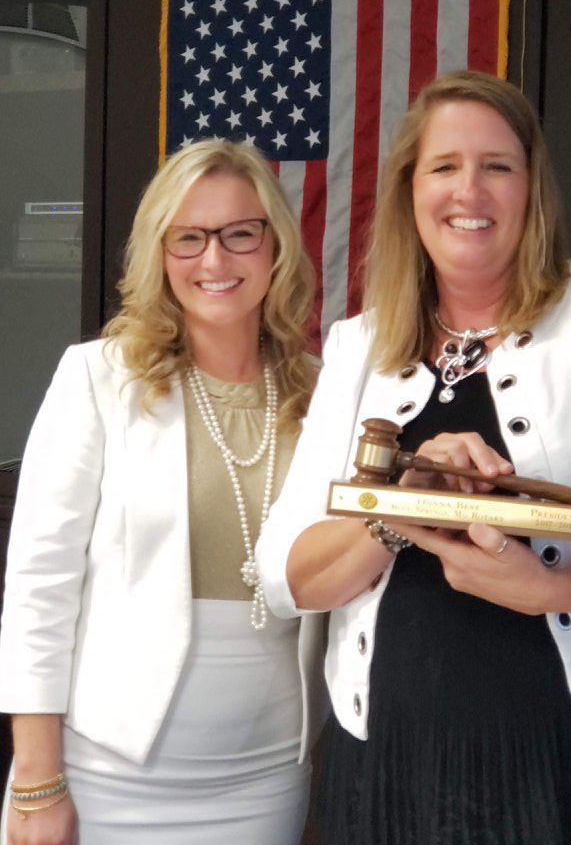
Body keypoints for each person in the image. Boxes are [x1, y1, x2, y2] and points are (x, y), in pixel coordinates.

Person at [256, 70, 571, 845]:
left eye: (497, 166)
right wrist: (401, 509)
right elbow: (287, 577)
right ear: (410, 191)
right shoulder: (358, 346)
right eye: (444, 167)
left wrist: (548, 588)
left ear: (531, 187)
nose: (470, 191)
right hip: (393, 767)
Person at [0, 139, 328, 844]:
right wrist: (36, 778)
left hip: (266, 777)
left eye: (240, 234)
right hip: (104, 776)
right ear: (160, 251)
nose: (214, 260)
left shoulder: (325, 394)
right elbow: (38, 588)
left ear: (275, 245)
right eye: (189, 237)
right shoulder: (98, 378)